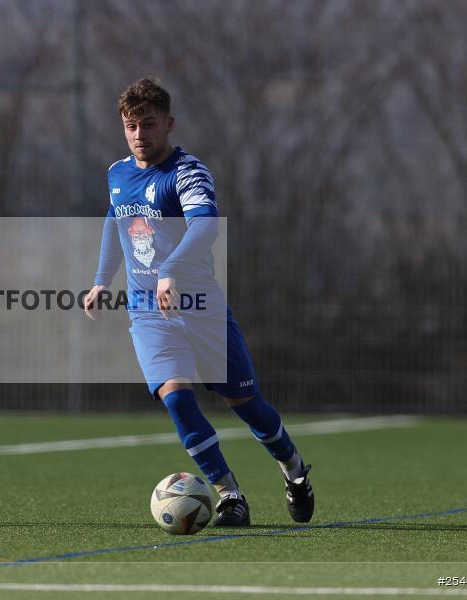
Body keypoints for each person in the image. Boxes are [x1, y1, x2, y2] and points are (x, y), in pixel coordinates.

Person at [84, 79, 314, 526]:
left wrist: (169, 269)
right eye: (130, 125)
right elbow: (115, 225)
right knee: (176, 399)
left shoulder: (188, 172)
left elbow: (205, 226)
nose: (138, 134)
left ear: (168, 123)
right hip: (148, 311)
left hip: (200, 307)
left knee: (250, 408)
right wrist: (99, 281)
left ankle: (295, 471)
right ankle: (230, 494)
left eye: (148, 124)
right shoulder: (117, 173)